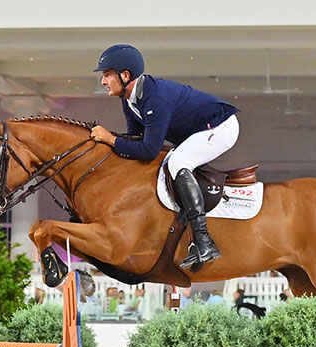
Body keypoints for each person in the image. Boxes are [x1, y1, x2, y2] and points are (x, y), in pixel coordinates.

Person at [90, 44, 240, 269]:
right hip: (198, 131)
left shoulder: (155, 98)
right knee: (168, 163)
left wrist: (110, 139)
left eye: (107, 75)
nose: (103, 81)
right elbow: (135, 138)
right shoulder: (129, 99)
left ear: (125, 75)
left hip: (220, 127)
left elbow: (149, 150)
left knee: (179, 162)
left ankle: (204, 241)